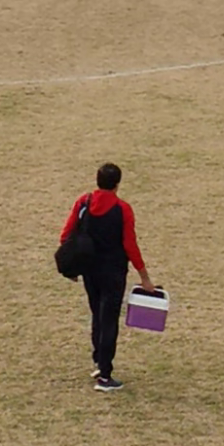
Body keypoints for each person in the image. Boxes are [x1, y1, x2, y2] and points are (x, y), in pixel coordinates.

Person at [59, 162, 156, 393]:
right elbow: (130, 245)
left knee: (97, 314)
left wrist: (72, 268)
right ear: (118, 184)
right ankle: (105, 375)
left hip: (89, 269)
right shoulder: (123, 210)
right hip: (113, 272)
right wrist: (144, 276)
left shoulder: (84, 202)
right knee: (109, 319)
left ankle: (98, 360)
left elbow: (66, 234)